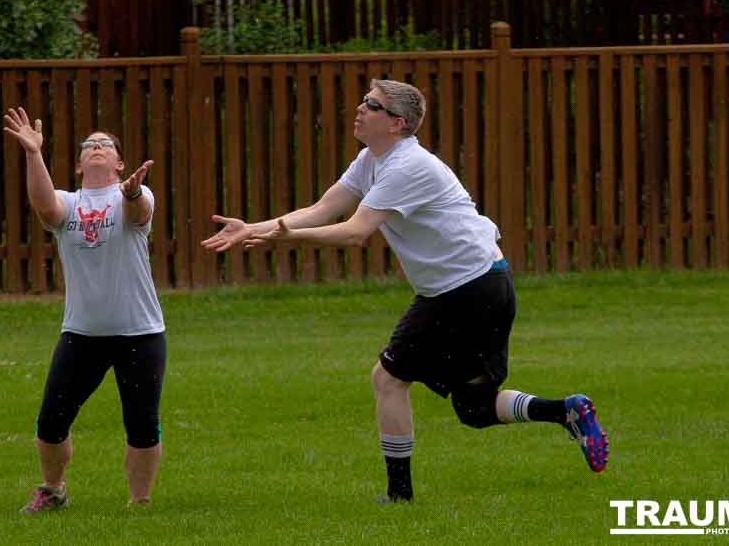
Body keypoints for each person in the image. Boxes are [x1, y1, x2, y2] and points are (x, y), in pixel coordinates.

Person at [201, 80, 608, 503]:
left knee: (389, 378)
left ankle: (399, 496)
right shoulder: (372, 158)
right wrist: (254, 228)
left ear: (396, 123)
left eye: (371, 104)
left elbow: (357, 232)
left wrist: (284, 239)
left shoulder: (407, 167)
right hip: (475, 285)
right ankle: (565, 410)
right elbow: (322, 210)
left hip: (469, 289)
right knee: (475, 410)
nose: (359, 108)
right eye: (363, 100)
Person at [4, 107, 166, 513]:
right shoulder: (68, 203)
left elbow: (137, 214)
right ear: (78, 165)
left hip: (140, 332)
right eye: (89, 145)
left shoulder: (136, 193)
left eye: (105, 144)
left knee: (142, 424)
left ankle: (140, 502)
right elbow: (44, 208)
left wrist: (129, 194)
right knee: (51, 420)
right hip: (82, 334)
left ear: (119, 162)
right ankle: (53, 490)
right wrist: (32, 154)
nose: (97, 148)